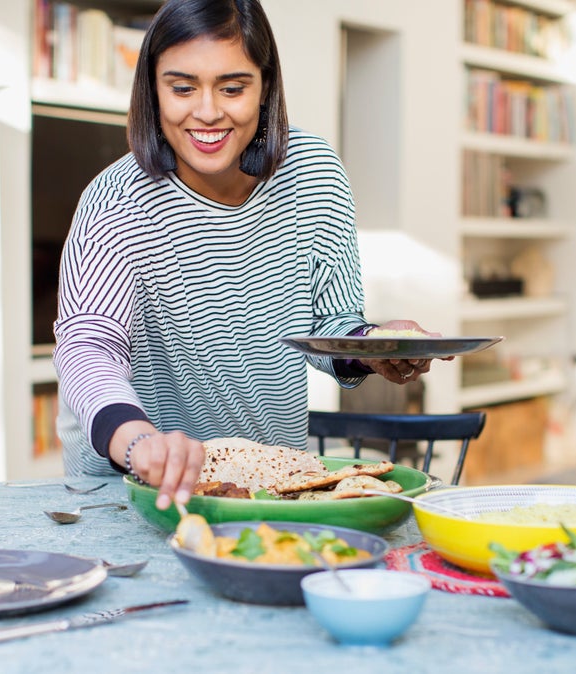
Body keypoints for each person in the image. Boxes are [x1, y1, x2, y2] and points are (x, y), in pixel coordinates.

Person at [53, 0, 439, 511]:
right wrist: (138, 441)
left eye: (233, 88)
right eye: (182, 87)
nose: (208, 111)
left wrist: (376, 347)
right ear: (152, 90)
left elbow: (332, 323)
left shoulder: (313, 172)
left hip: (268, 483)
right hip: (131, 486)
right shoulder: (117, 199)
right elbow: (88, 347)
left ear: (265, 86)